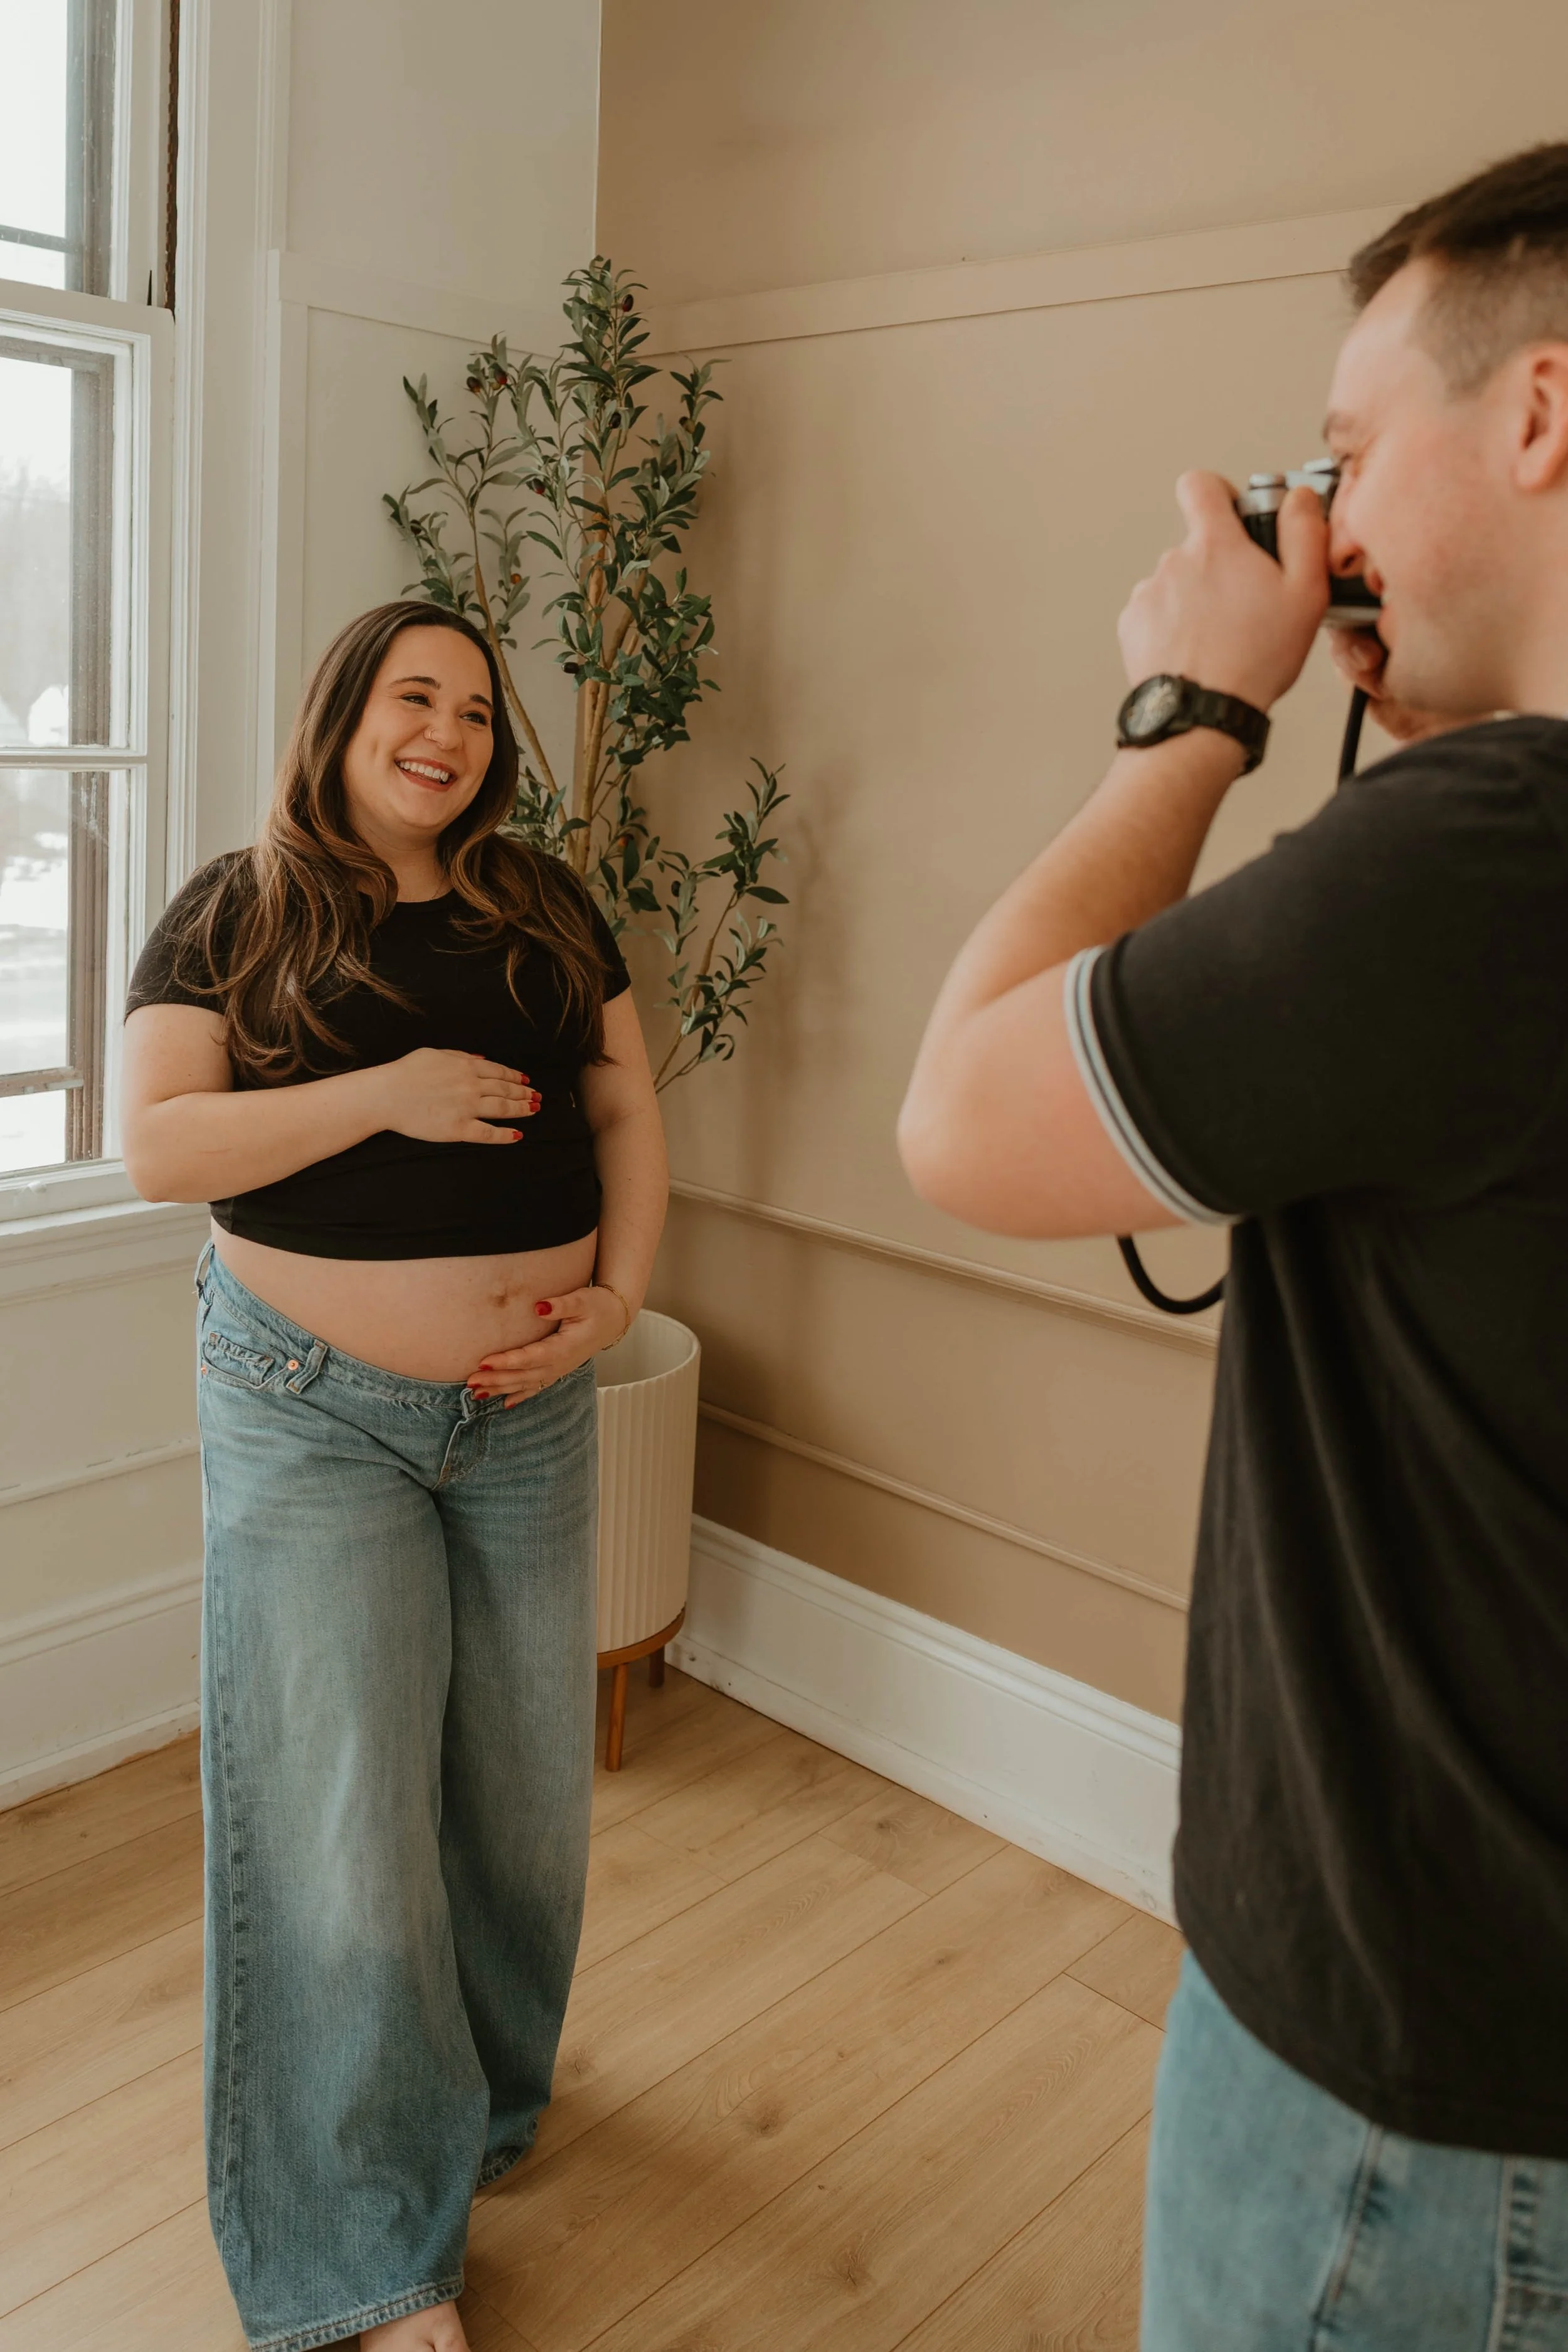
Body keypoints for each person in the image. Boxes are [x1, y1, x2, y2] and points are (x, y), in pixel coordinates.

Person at [898, 144, 1568, 2348]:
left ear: (1541, 416)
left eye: (1354, 451)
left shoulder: (1487, 872)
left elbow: (962, 1115)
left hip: (1411, 2094)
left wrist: (1192, 708)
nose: (1327, 520)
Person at [122, 600, 667, 2352]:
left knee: (519, 1794)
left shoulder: (542, 903)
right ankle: (367, 2255)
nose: (448, 731)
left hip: (530, 1409)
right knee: (340, 1821)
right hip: (311, 1406)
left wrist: (618, 1299)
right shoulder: (239, 907)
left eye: (478, 710)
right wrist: (385, 1093)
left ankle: (479, 2111)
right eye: (412, 696)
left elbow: (630, 1110)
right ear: (344, 713)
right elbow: (159, 1144)